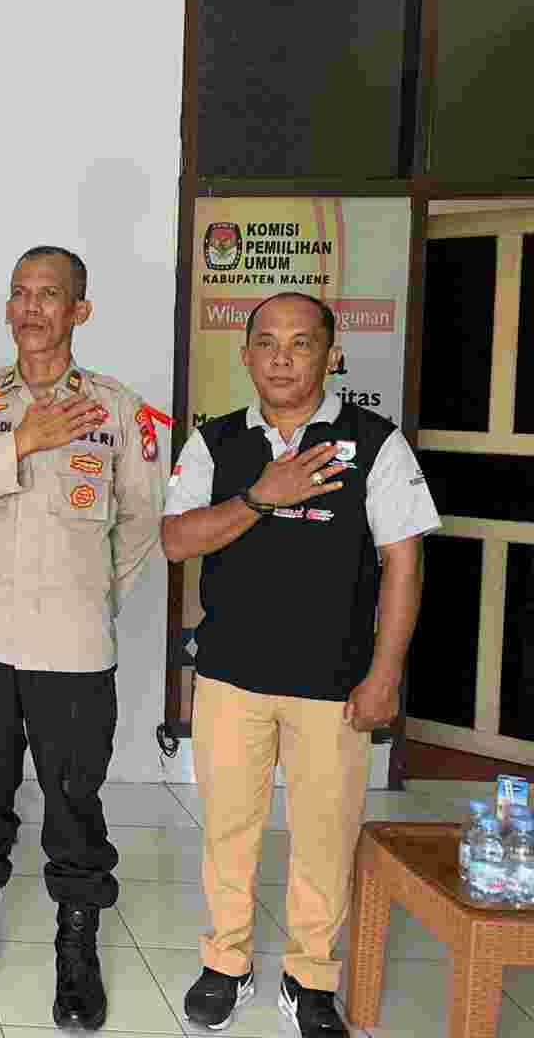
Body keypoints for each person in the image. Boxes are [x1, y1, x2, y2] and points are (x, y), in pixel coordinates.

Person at [161, 291, 438, 1037]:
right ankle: (226, 962)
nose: (282, 359)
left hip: (334, 684)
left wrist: (384, 676)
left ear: (331, 354)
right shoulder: (215, 442)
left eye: (301, 343)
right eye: (268, 343)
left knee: (325, 834)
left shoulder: (375, 443)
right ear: (246, 354)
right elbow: (177, 541)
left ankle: (311, 976)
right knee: (230, 831)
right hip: (231, 676)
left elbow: (403, 565)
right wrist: (260, 496)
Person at [0, 246, 165, 1029]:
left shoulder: (119, 408)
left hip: (74, 645)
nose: (30, 308)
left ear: (79, 311)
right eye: (20, 293)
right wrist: (19, 442)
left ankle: (76, 946)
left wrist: (92, 591)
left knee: (73, 802)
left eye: (49, 294)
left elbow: (142, 521)